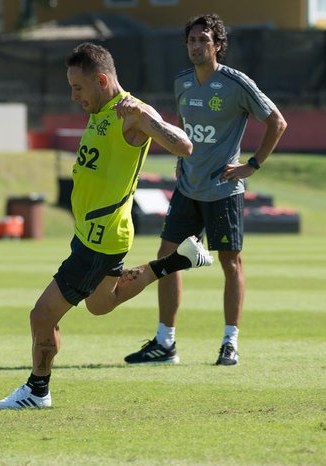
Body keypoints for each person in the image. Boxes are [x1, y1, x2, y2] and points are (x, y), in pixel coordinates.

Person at [0, 43, 213, 410]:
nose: (73, 95)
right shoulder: (101, 108)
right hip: (94, 234)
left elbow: (185, 146)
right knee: (101, 305)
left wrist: (147, 117)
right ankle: (179, 260)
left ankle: (37, 390)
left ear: (101, 80)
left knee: (42, 315)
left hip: (101, 237)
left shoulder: (133, 114)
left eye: (78, 87)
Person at [124, 14, 287, 367]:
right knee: (167, 260)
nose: (197, 45)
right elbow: (182, 125)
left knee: (231, 264)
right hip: (187, 188)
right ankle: (165, 343)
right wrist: (182, 154)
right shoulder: (182, 83)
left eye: (204, 40)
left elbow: (277, 121)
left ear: (218, 45)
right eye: (192, 40)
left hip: (223, 190)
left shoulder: (235, 83)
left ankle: (230, 343)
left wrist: (252, 165)